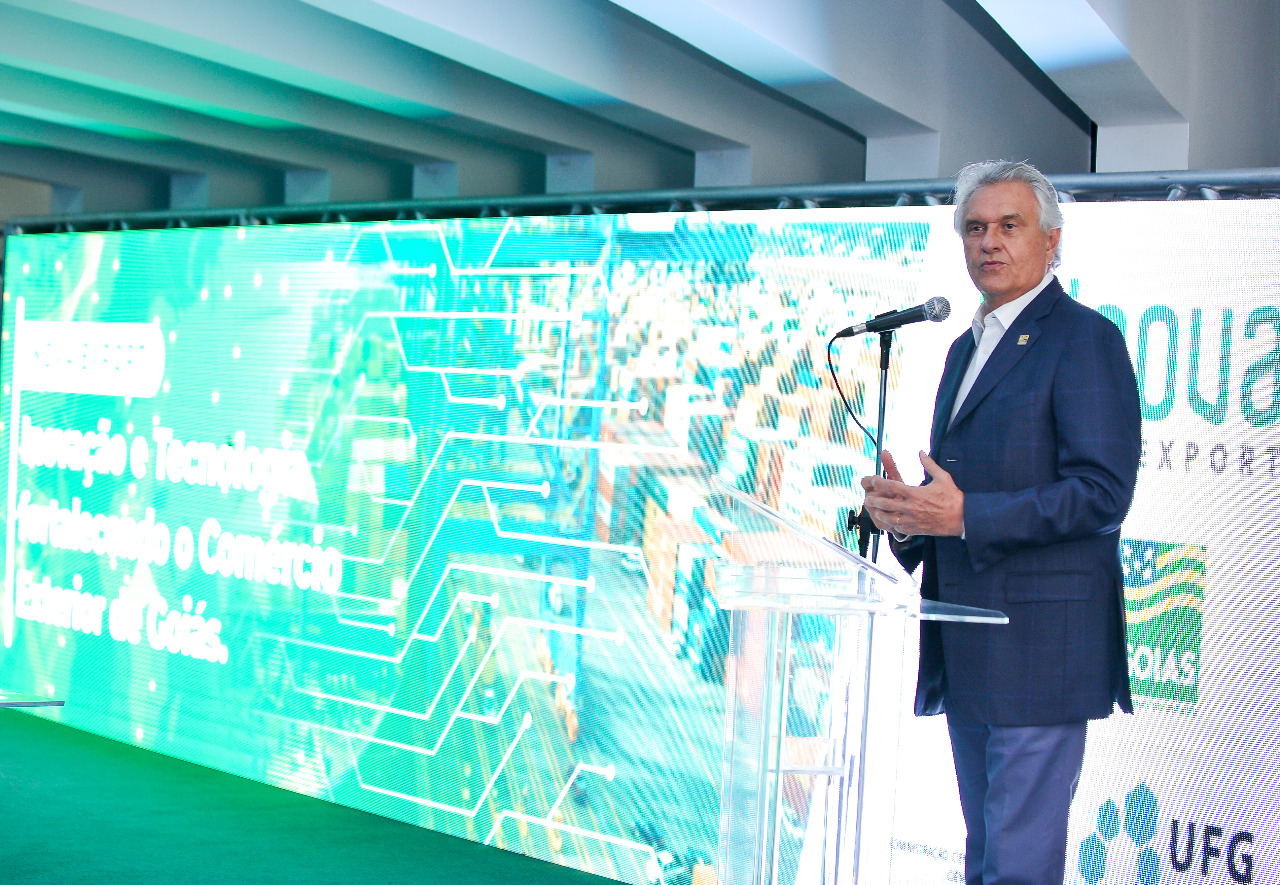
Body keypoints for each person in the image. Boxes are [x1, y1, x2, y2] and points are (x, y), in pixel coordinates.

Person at [860, 160, 1141, 885]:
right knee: (986, 859)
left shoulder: (1084, 340)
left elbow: (1102, 494)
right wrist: (910, 516)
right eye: (975, 228)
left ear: (1052, 240)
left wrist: (965, 514)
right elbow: (958, 500)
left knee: (1016, 868)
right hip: (969, 643)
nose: (989, 241)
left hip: (1039, 654)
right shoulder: (964, 348)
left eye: (1010, 225)